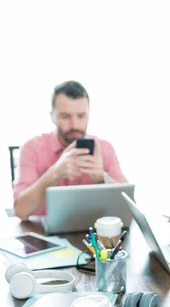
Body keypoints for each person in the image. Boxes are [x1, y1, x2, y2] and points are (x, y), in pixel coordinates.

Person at [13, 81, 128, 220]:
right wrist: (54, 173)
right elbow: (20, 211)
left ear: (89, 115)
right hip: (45, 236)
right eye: (65, 117)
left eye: (81, 116)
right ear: (52, 116)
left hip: (93, 236)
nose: (74, 125)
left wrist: (102, 178)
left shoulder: (104, 148)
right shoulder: (32, 148)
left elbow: (130, 207)